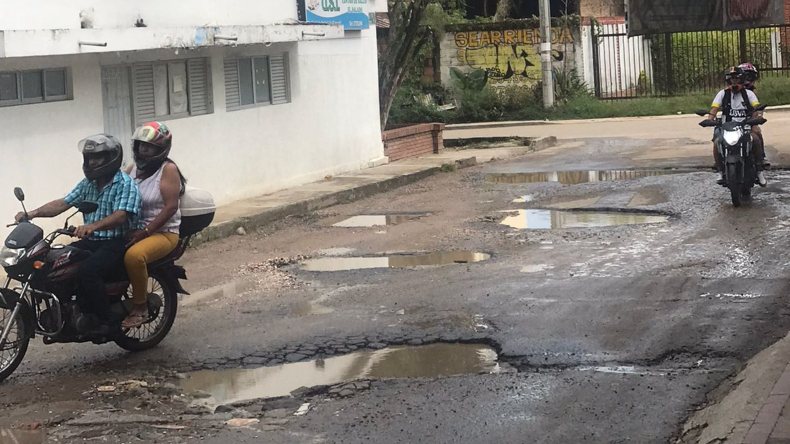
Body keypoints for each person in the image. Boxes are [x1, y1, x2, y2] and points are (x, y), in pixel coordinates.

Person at [15, 135, 141, 332]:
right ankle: (68, 311)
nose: (92, 162)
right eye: (89, 158)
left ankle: (108, 322)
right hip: (91, 241)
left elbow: (120, 216)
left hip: (116, 242)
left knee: (87, 271)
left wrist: (92, 227)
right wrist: (32, 213)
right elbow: (64, 203)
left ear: (111, 158)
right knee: (55, 263)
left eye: (97, 158)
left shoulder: (125, 184)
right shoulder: (88, 183)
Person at [122, 122, 186, 328]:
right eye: (140, 146)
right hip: (134, 230)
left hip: (163, 232)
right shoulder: (132, 169)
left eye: (149, 147)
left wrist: (146, 232)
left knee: (134, 256)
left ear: (161, 149)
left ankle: (140, 307)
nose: (143, 150)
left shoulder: (168, 170)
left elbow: (170, 207)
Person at [707, 66, 766, 187]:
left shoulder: (749, 93)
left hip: (745, 125)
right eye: (731, 79)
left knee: (755, 139)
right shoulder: (722, 94)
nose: (734, 81)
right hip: (727, 127)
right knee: (716, 142)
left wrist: (757, 117)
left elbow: (756, 108)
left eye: (737, 79)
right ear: (728, 81)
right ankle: (720, 170)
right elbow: (714, 109)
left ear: (741, 79)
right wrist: (709, 120)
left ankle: (759, 170)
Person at [738, 62, 768, 169]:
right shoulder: (729, 91)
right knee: (718, 133)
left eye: (750, 76)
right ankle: (720, 158)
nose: (747, 79)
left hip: (749, 120)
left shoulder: (752, 91)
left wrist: (757, 118)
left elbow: (756, 107)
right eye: (745, 76)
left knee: (756, 132)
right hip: (732, 120)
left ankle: (762, 157)